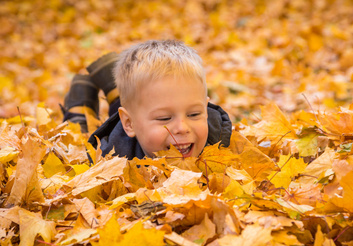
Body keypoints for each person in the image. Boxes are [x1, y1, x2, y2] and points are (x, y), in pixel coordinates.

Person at [63, 40, 232, 159]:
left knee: (142, 105)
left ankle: (115, 89)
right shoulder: (113, 155)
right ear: (129, 124)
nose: (182, 128)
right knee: (80, 137)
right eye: (164, 118)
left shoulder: (218, 137)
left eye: (194, 114)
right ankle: (79, 111)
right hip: (124, 136)